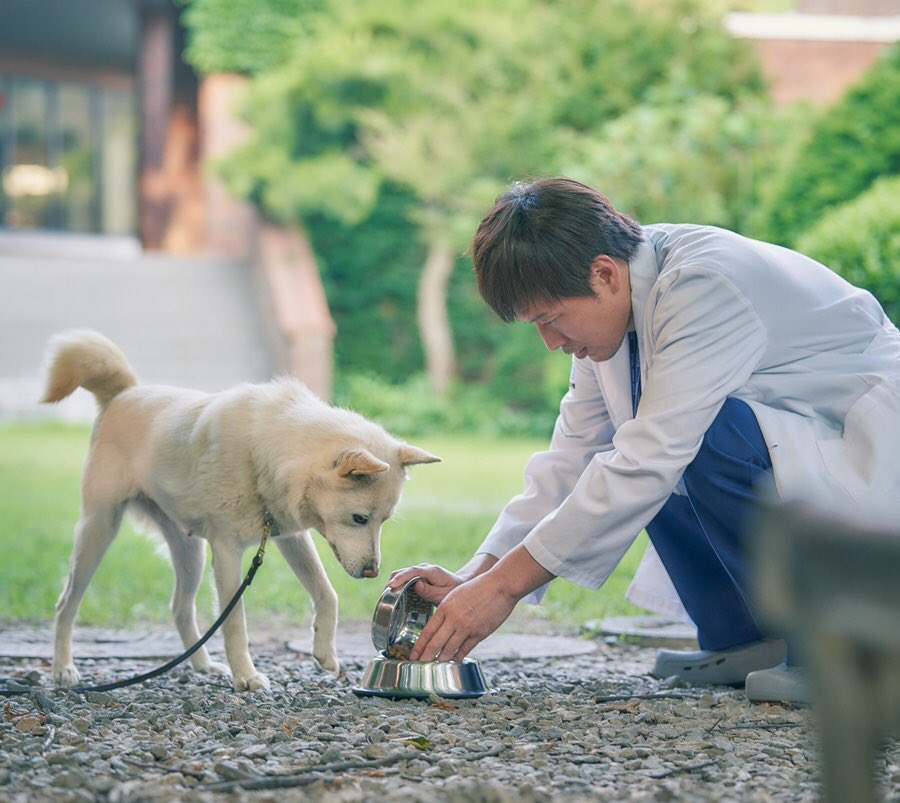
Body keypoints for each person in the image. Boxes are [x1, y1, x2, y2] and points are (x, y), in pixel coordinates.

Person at [388, 177, 900, 703]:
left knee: (693, 442)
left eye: (550, 318)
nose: (549, 342)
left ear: (604, 274)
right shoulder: (612, 320)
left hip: (866, 440)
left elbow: (650, 458)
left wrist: (503, 590)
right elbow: (571, 459)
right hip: (794, 440)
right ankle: (751, 637)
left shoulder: (703, 284)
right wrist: (477, 574)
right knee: (651, 446)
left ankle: (840, 648)